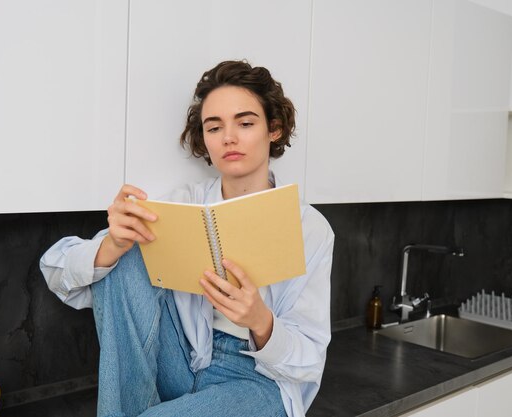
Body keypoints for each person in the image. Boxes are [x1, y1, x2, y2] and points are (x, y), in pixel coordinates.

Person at [40, 60, 334, 417]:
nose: (228, 137)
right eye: (214, 127)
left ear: (273, 129)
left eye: (245, 123)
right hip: (182, 358)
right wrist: (111, 246)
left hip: (257, 380)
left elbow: (309, 361)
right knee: (129, 249)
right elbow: (55, 270)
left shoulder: (310, 228)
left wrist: (260, 320)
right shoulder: (184, 205)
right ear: (204, 139)